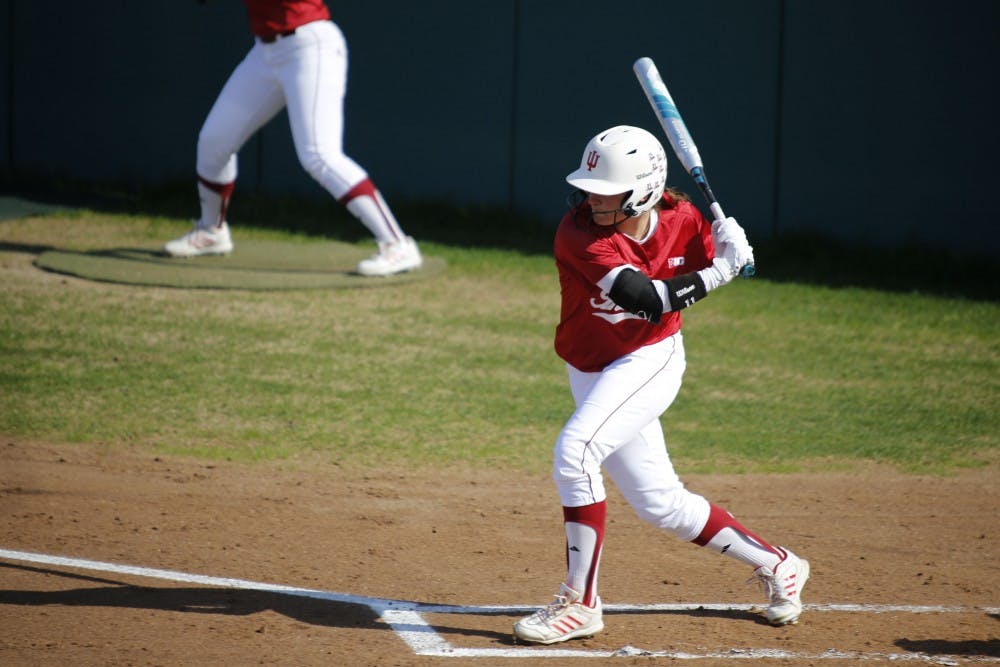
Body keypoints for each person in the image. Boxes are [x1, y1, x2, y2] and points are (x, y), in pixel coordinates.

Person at [513, 125, 809, 645]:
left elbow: (703, 268)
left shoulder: (685, 220)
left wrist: (729, 247)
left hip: (647, 360)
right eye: (589, 188)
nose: (591, 200)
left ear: (645, 191)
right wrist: (722, 270)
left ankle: (580, 603)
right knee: (660, 503)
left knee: (575, 453)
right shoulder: (577, 234)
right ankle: (778, 563)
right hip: (591, 367)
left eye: (607, 193)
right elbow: (647, 297)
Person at [164, 0, 422, 277]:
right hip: (265, 52)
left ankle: (397, 243)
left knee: (320, 155)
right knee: (214, 141)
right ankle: (211, 231)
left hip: (310, 45)